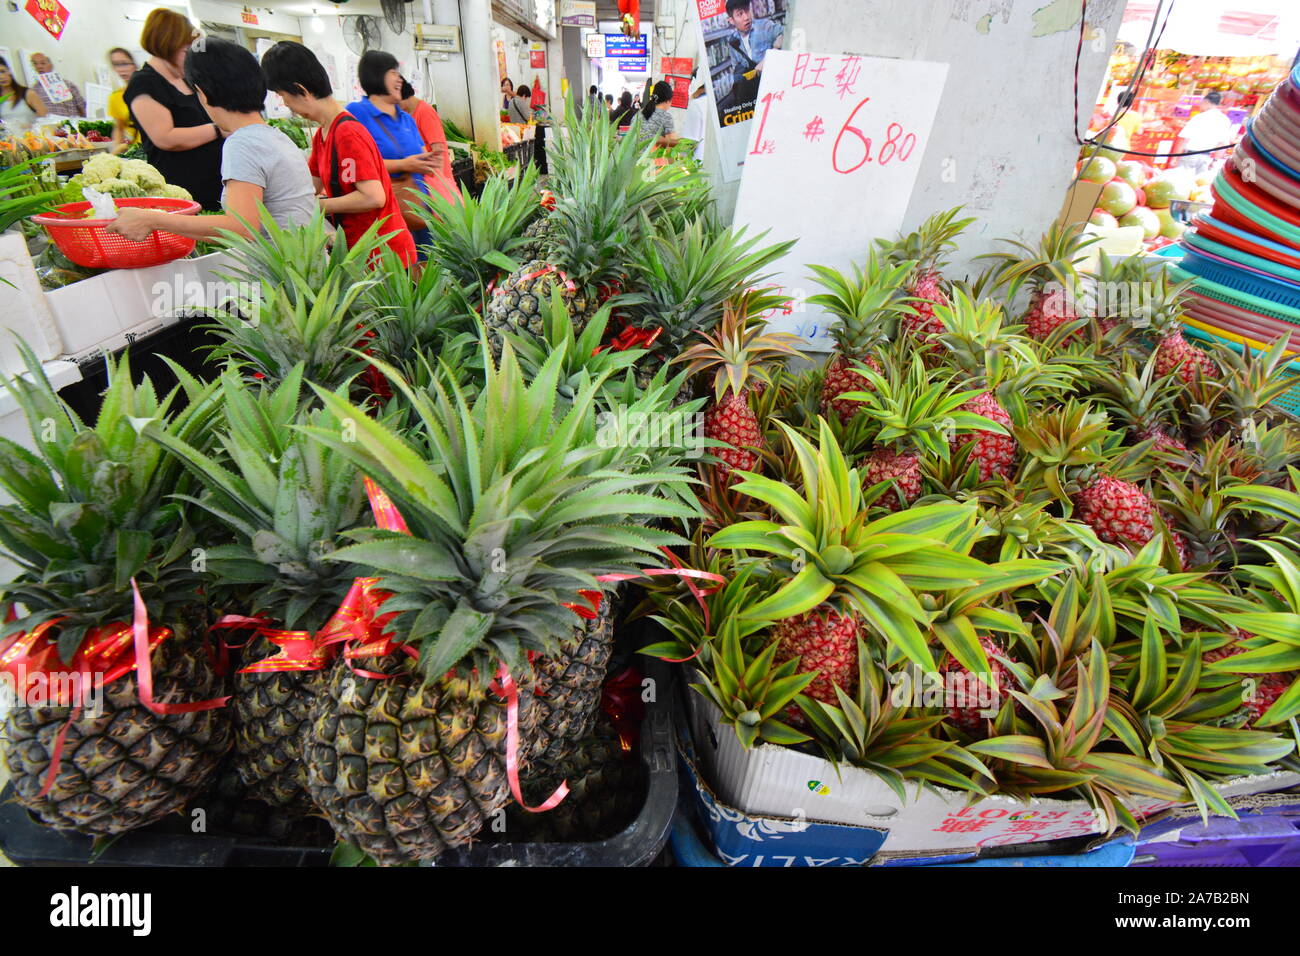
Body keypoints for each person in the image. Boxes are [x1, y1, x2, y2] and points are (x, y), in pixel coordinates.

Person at [108, 38, 316, 243]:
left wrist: (153, 219)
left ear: (203, 93)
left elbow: (241, 228)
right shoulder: (275, 136)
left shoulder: (242, 143)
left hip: (280, 271)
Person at [261, 40, 416, 266]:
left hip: (384, 257)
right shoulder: (323, 134)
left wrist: (318, 206)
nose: (286, 105)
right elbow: (307, 187)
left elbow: (373, 196)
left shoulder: (347, 133)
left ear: (301, 90)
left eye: (283, 95)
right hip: (358, 252)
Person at [123, 8, 224, 211]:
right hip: (184, 188)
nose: (191, 59)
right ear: (167, 45)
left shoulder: (187, 79)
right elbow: (166, 138)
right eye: (187, 52)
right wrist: (219, 129)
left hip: (216, 183)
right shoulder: (144, 84)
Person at [346, 50, 438, 253]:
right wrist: (404, 165)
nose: (399, 79)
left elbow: (421, 155)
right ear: (376, 76)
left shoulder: (406, 119)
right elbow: (359, 165)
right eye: (393, 73)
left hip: (419, 209)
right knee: (400, 273)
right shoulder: (357, 114)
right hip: (387, 217)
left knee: (427, 268)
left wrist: (429, 162)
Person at [398, 78, 459, 205]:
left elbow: (439, 150)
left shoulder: (424, 112)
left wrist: (440, 184)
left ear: (403, 97)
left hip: (436, 180)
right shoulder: (408, 115)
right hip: (425, 179)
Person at [724, 0, 783, 105]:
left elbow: (785, 33)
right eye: (740, 14)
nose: (746, 17)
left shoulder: (764, 26)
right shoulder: (733, 41)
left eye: (747, 11)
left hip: (774, 88)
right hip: (754, 93)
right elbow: (736, 67)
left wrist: (770, 56)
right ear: (731, 20)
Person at [1178, 90, 1236, 176]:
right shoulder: (1224, 120)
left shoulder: (1199, 117)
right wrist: (1215, 160)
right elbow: (1222, 144)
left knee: (1181, 180)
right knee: (1196, 183)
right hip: (1206, 158)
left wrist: (1175, 157)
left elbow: (1184, 138)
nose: (1200, 106)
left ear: (1207, 102)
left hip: (1190, 155)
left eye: (1201, 103)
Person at [28, 52, 87, 118]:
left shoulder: (68, 84)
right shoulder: (34, 91)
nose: (39, 67)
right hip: (51, 126)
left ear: (51, 65)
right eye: (35, 64)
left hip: (73, 124)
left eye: (43, 63)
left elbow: (83, 107)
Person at [106, 48, 139, 155]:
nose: (121, 69)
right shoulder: (115, 97)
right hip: (136, 154)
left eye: (124, 63)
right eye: (116, 65)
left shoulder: (153, 90)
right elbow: (119, 128)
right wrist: (117, 149)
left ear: (134, 64)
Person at [0, 57, 46, 128]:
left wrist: (29, 126)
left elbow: (45, 118)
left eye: (3, 71)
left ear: (9, 71)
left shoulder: (28, 93)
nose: (1, 77)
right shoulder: (1, 100)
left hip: (32, 137)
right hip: (8, 138)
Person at [637, 80, 679, 147]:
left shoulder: (639, 113)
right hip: (652, 156)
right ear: (668, 100)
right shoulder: (666, 116)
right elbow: (672, 145)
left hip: (633, 156)